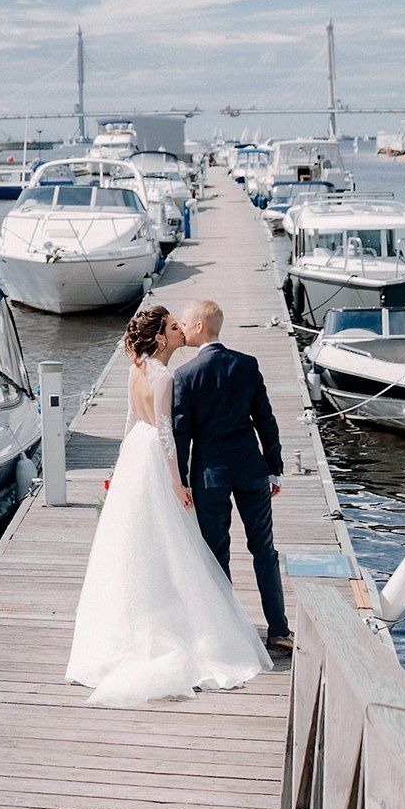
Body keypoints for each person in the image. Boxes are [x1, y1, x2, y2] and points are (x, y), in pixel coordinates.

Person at [65, 307, 269, 706]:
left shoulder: (134, 370)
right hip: (155, 461)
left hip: (132, 458)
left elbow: (129, 421)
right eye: (174, 327)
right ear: (160, 337)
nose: (180, 330)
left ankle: (145, 618)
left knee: (138, 544)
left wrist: (118, 472)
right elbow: (166, 434)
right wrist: (178, 482)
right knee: (170, 542)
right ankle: (178, 626)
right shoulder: (164, 376)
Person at [170, 300, 293, 653]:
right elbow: (265, 420)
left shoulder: (186, 375)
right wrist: (274, 467)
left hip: (210, 476)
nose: (182, 329)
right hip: (251, 470)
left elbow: (182, 434)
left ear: (198, 327)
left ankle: (225, 629)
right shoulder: (247, 364)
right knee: (264, 550)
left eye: (185, 324)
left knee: (216, 552)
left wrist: (180, 480)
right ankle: (279, 630)